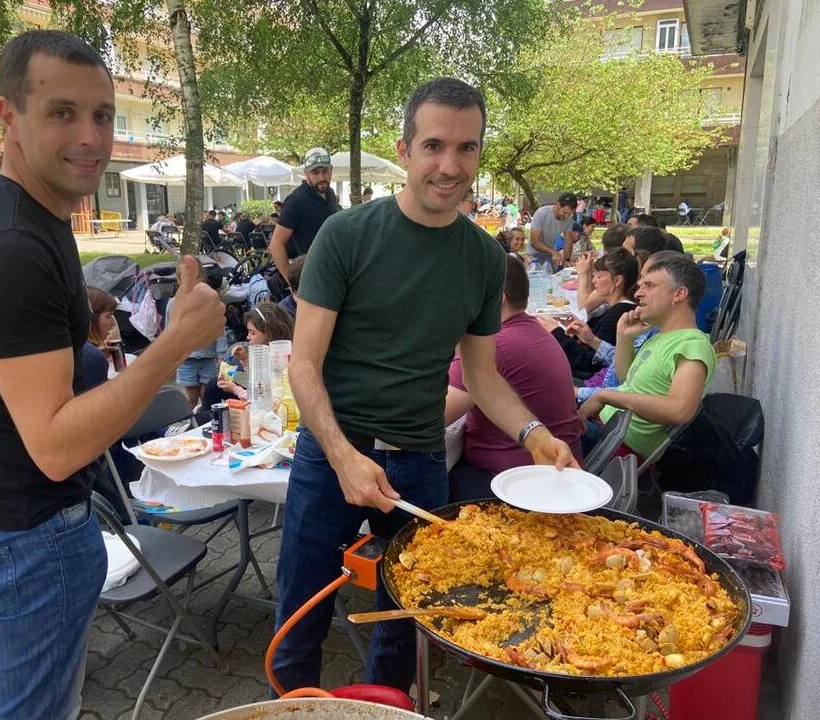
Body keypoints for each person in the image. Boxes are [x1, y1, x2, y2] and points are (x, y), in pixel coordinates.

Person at [0, 30, 225, 720]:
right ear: (9, 116)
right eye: (63, 113)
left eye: (102, 115)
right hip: (21, 532)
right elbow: (55, 447)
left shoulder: (33, 212)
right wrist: (173, 344)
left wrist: (86, 315)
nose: (91, 137)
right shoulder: (11, 246)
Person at [271, 77, 577, 696]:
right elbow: (303, 363)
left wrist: (534, 434)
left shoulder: (484, 259)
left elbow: (482, 376)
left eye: (466, 148)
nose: (449, 165)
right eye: (434, 145)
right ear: (405, 149)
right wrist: (343, 457)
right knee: (301, 611)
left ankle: (390, 706)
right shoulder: (346, 235)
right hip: (331, 456)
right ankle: (290, 708)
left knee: (405, 621)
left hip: (419, 462)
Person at [445, 256, 583, 500]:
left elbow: (432, 416)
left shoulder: (493, 347)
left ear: (497, 299)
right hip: (555, 470)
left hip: (518, 484)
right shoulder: (533, 329)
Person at [579, 251, 716, 460]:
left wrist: (605, 395)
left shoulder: (692, 345)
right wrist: (624, 337)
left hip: (616, 447)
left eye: (649, 285)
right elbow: (627, 379)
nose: (638, 293)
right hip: (607, 431)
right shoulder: (661, 335)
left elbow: (679, 410)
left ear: (679, 294)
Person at [537, 249, 639, 379]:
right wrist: (578, 332)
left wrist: (556, 333)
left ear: (617, 280)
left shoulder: (618, 314)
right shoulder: (617, 309)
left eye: (599, 276)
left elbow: (588, 362)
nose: (594, 281)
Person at [269, 147, 339, 280]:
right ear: (306, 173)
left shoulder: (330, 194)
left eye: (325, 171)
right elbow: (276, 245)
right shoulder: (297, 200)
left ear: (331, 170)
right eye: (315, 172)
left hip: (332, 271)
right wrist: (292, 283)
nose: (321, 177)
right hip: (310, 276)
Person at [203, 302, 295, 404]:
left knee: (213, 387)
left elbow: (261, 396)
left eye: (252, 333)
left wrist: (235, 389)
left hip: (270, 405)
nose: (248, 337)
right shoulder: (272, 353)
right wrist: (245, 358)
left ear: (269, 333)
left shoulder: (278, 360)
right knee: (215, 384)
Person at [172, 259, 228, 406]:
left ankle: (206, 417)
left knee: (207, 396)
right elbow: (169, 332)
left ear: (202, 277)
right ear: (179, 280)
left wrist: (221, 354)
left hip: (208, 358)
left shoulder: (211, 301)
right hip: (186, 360)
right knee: (191, 398)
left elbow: (219, 329)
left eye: (196, 277)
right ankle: (192, 418)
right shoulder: (174, 304)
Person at [528, 192, 578, 267]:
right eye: (565, 212)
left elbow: (568, 241)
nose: (566, 216)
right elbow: (535, 242)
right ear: (558, 204)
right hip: (534, 255)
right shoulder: (541, 213)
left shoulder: (569, 218)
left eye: (569, 214)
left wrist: (567, 260)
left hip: (550, 254)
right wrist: (553, 252)